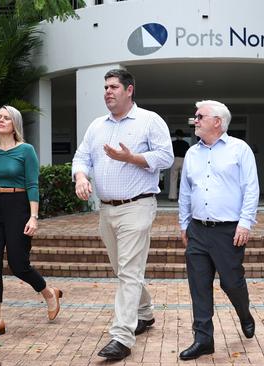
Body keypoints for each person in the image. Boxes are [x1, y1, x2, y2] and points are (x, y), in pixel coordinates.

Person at [72, 69, 174, 361]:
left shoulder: (149, 120)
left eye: (114, 86)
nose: (108, 91)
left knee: (128, 271)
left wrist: (131, 158)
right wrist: (81, 177)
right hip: (106, 210)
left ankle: (121, 337)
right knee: (123, 269)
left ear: (130, 90)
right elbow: (82, 157)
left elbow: (165, 157)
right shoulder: (96, 126)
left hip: (138, 206)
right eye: (105, 87)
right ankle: (145, 312)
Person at [178, 100, 260, 360]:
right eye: (195, 116)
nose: (195, 120)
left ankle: (244, 314)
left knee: (231, 282)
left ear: (218, 121)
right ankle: (203, 339)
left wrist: (245, 222)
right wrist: (184, 223)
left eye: (200, 116)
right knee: (199, 285)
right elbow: (185, 191)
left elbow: (251, 188)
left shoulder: (239, 150)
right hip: (198, 230)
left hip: (228, 231)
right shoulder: (192, 153)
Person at [0, 105, 62, 341]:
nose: (1, 120)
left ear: (15, 124)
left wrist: (33, 216)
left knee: (18, 264)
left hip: (18, 207)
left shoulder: (26, 151)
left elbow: (33, 184)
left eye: (6, 117)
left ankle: (48, 293)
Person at [168, 129, 190, 201]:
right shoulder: (186, 143)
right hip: (183, 160)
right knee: (183, 180)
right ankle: (183, 197)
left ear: (176, 136)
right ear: (182, 136)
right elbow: (188, 153)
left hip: (175, 160)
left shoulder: (173, 143)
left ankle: (172, 196)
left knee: (173, 179)